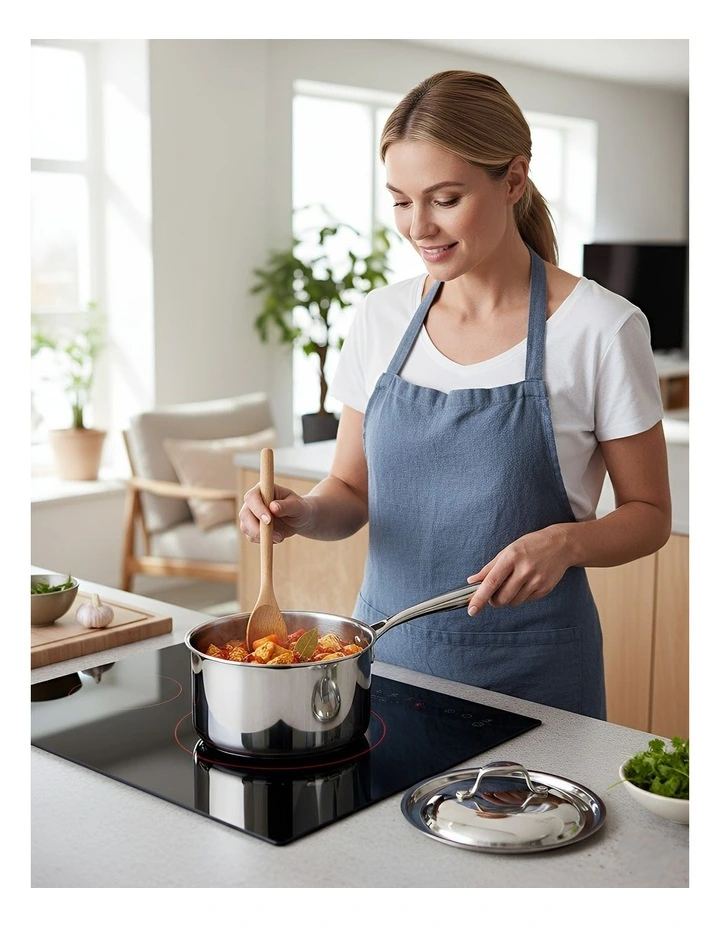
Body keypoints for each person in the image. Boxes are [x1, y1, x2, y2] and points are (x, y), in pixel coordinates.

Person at [239, 70, 672, 720]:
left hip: (536, 679)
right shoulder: (380, 319)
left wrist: (566, 543)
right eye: (401, 200)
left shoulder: (601, 328)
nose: (419, 227)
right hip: (386, 661)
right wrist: (300, 514)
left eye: (444, 198)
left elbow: (649, 513)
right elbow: (351, 495)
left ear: (514, 180)